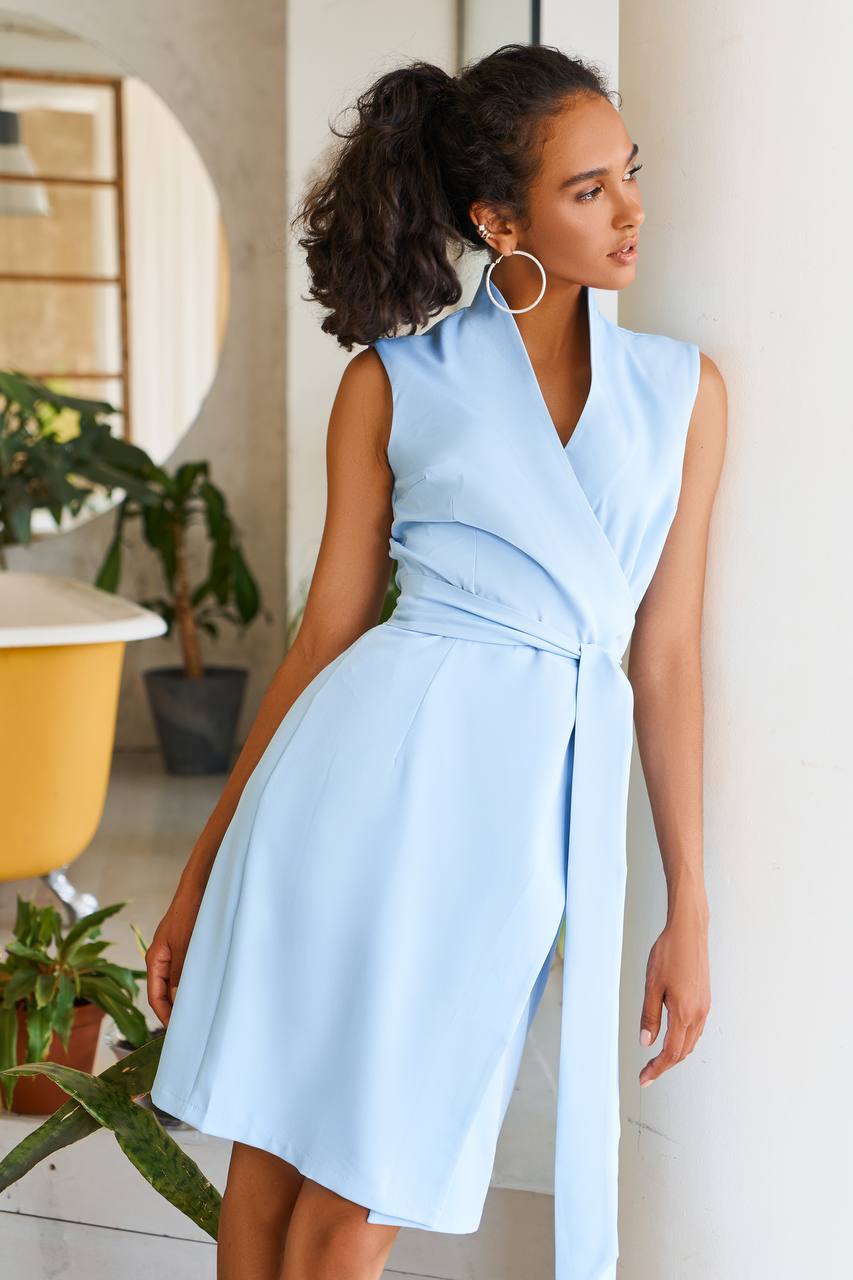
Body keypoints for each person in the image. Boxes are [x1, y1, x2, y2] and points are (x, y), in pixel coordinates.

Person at [146, 42, 725, 1280]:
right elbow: (323, 636)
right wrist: (201, 871)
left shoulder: (681, 394)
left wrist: (688, 899)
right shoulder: (391, 381)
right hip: (348, 788)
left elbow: (663, 655)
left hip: (505, 829)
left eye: (628, 173)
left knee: (369, 1188)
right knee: (273, 1159)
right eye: (587, 190)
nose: (630, 209)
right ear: (496, 218)